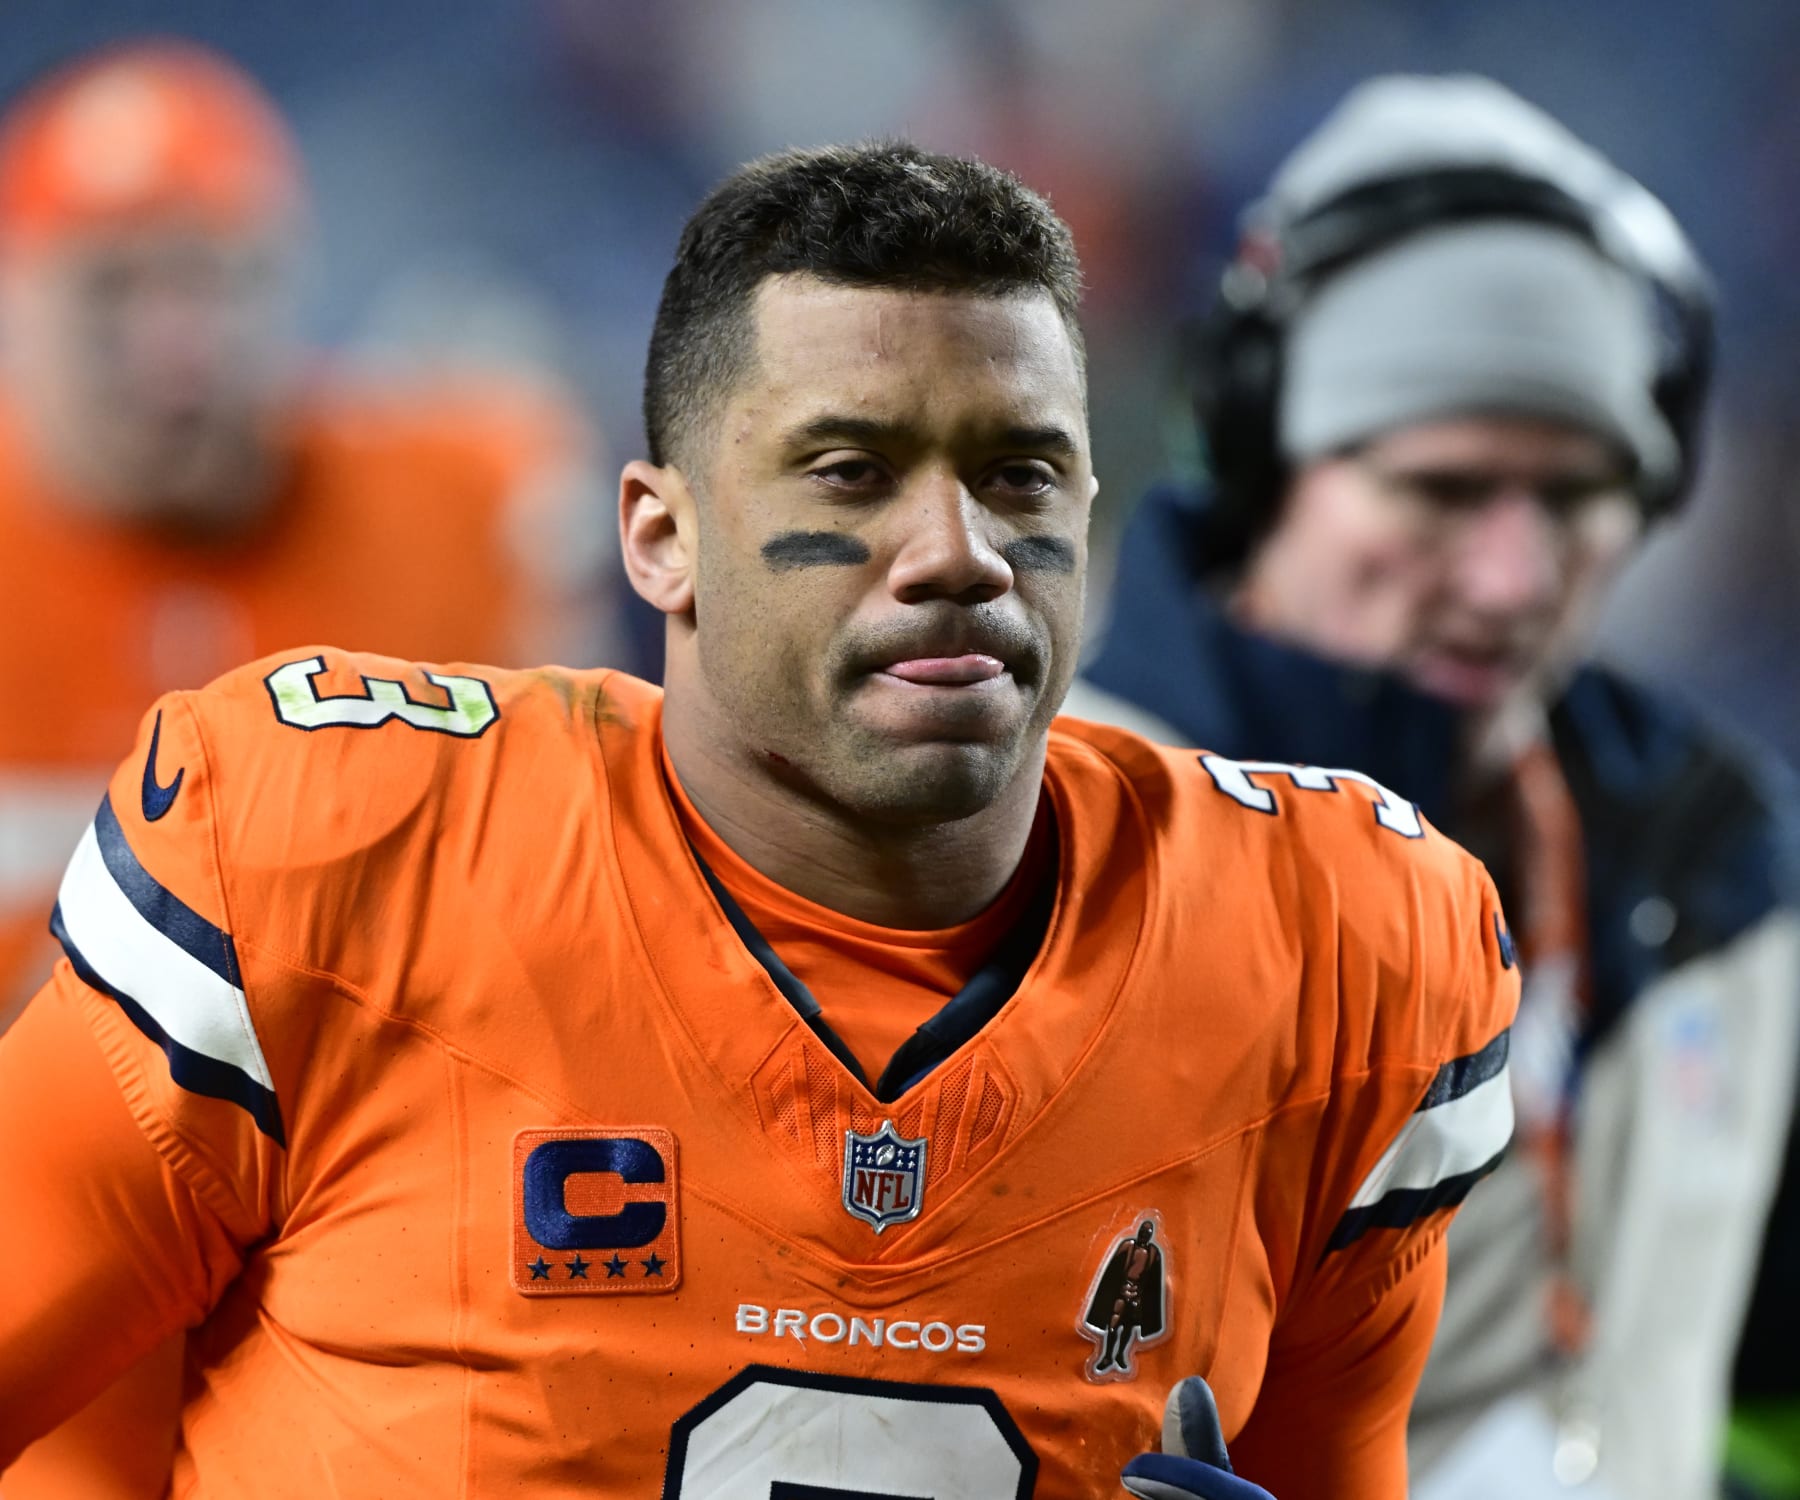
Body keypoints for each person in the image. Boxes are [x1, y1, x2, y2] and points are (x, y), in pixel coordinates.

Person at [0, 139, 1517, 1498]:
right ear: (663, 540)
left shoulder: (1336, 950)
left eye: (1021, 474)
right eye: (852, 472)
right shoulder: (337, 850)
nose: (957, 554)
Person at [1068, 75, 1800, 1500]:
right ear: (1263, 457)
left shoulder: (1724, 871)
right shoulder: (1019, 857)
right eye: (1445, 490)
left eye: (1580, 492)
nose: (1516, 579)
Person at [0, 40, 610, 1499]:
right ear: (18, 307)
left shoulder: (468, 494)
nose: (174, 342)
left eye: (213, 279)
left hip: (387, 1232)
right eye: (115, 289)